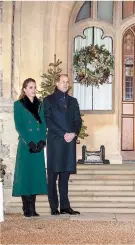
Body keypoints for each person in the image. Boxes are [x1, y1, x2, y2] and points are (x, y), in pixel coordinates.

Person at [43, 74, 82, 215]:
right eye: (63, 82)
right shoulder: (48, 100)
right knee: (53, 175)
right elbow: (48, 121)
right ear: (57, 83)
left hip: (69, 142)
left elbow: (78, 121)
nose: (65, 84)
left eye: (67, 82)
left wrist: (73, 133)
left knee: (65, 175)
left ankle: (65, 206)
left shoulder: (73, 101)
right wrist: (63, 134)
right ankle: (54, 207)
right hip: (55, 141)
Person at [12, 78, 48, 217]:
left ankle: (33, 208)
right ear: (25, 89)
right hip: (26, 145)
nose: (33, 90)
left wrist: (42, 140)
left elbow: (44, 123)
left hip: (38, 145)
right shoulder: (18, 105)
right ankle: (26, 208)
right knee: (25, 175)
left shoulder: (40, 105)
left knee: (35, 175)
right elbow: (19, 126)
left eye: (34, 87)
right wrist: (29, 142)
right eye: (30, 87)